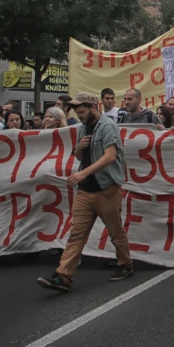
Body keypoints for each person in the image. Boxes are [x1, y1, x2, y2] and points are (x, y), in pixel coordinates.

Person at [37, 92, 133, 292]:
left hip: (107, 189)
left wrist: (83, 174)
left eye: (82, 111)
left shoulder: (107, 126)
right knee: (76, 234)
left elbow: (110, 156)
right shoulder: (82, 128)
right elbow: (80, 155)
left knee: (115, 231)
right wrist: (79, 148)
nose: (79, 116)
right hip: (85, 191)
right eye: (77, 112)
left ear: (93, 107)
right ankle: (63, 275)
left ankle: (125, 264)